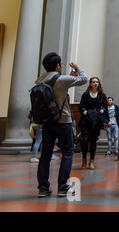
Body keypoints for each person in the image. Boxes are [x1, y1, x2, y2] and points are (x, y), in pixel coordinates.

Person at [35, 52, 88, 197]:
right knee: (67, 153)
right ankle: (62, 187)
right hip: (63, 121)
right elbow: (84, 79)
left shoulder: (40, 80)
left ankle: (43, 188)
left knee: (45, 154)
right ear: (58, 65)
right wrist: (77, 67)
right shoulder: (62, 79)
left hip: (47, 122)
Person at [79, 77, 109, 169]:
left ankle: (91, 161)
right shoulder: (85, 95)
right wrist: (85, 112)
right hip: (86, 120)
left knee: (93, 141)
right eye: (94, 82)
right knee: (84, 140)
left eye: (97, 82)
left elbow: (105, 108)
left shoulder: (102, 95)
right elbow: (81, 107)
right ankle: (84, 160)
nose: (96, 83)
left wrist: (101, 111)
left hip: (96, 121)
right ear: (90, 84)